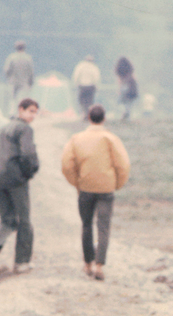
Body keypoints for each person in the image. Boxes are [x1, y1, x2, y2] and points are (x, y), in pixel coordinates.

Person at [61, 104, 130, 281]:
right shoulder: (111, 139)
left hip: (85, 188)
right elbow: (123, 164)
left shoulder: (76, 138)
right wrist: (117, 184)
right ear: (104, 118)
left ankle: (87, 263)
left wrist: (77, 182)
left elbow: (67, 165)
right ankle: (100, 265)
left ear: (89, 117)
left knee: (86, 225)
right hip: (106, 189)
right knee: (103, 226)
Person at [0, 98, 40, 275]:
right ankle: (21, 262)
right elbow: (28, 155)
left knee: (8, 219)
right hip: (15, 179)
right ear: (20, 109)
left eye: (35, 112)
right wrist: (29, 172)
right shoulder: (24, 128)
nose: (33, 116)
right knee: (24, 220)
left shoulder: (4, 128)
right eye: (30, 111)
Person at [4, 41, 34, 106]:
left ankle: (12, 113)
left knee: (12, 99)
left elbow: (6, 70)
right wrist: (31, 82)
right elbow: (31, 72)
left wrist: (8, 78)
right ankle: (22, 112)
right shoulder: (28, 58)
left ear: (16, 48)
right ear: (24, 48)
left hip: (13, 81)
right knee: (23, 99)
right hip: (24, 82)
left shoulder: (11, 57)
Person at [71, 55, 101, 120]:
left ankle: (84, 113)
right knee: (89, 101)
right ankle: (89, 114)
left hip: (82, 86)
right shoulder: (94, 67)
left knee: (81, 101)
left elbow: (76, 75)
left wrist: (76, 83)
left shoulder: (80, 66)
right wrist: (96, 85)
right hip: (91, 86)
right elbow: (96, 77)